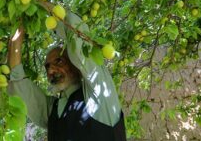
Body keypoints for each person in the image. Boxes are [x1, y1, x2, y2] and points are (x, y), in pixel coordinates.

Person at [7, 7, 126, 141]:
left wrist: (41, 3)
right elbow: (17, 79)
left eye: (59, 61)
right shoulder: (52, 110)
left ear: (75, 64)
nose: (51, 71)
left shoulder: (98, 95)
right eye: (47, 67)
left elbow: (78, 38)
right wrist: (19, 23)